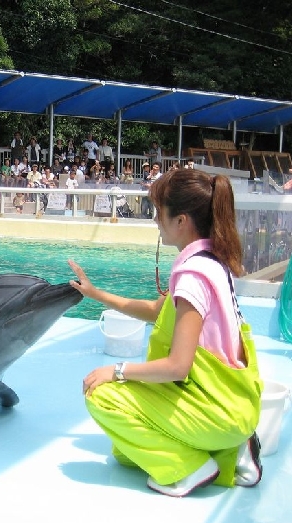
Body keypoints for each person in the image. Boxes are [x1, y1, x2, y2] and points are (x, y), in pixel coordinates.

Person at [67, 168, 263, 498]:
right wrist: (96, 293)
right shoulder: (211, 262)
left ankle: (190, 469)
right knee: (125, 454)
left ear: (181, 221)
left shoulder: (192, 278)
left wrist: (116, 372)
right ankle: (236, 450)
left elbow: (177, 367)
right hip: (235, 401)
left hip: (217, 410)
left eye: (160, 213)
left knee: (101, 396)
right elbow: (156, 311)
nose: (156, 221)